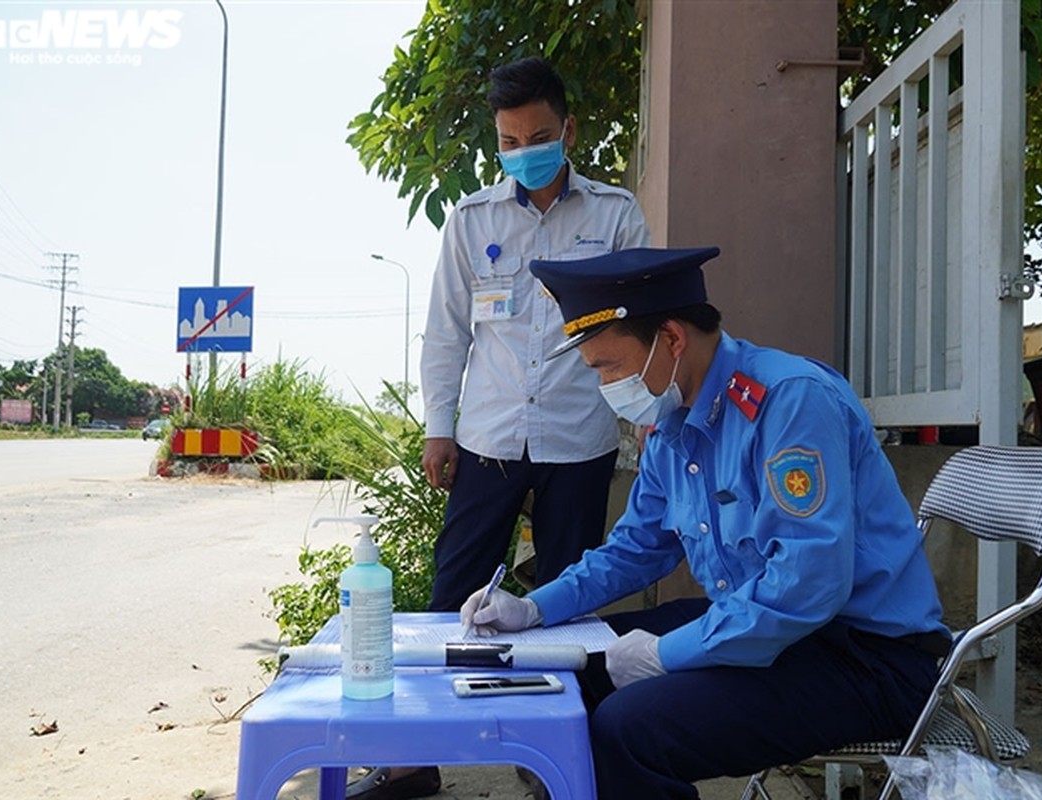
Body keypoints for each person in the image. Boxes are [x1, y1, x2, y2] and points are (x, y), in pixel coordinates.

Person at [460, 247, 950, 800]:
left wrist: (665, 655)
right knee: (566, 674)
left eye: (610, 367)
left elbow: (807, 585)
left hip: (863, 658)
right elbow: (635, 548)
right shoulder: (673, 423)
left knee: (627, 729)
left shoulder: (789, 402)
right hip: (773, 634)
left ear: (671, 339)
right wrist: (535, 608)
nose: (606, 387)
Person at [346, 57, 649, 800]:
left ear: (568, 130)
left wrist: (648, 426)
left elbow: (639, 328)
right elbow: (446, 335)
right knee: (452, 592)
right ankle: (413, 758)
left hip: (580, 439)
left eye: (539, 135)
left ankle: (549, 761)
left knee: (567, 598)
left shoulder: (615, 215)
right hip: (487, 441)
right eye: (510, 140)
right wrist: (437, 429)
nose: (525, 150)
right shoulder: (472, 220)